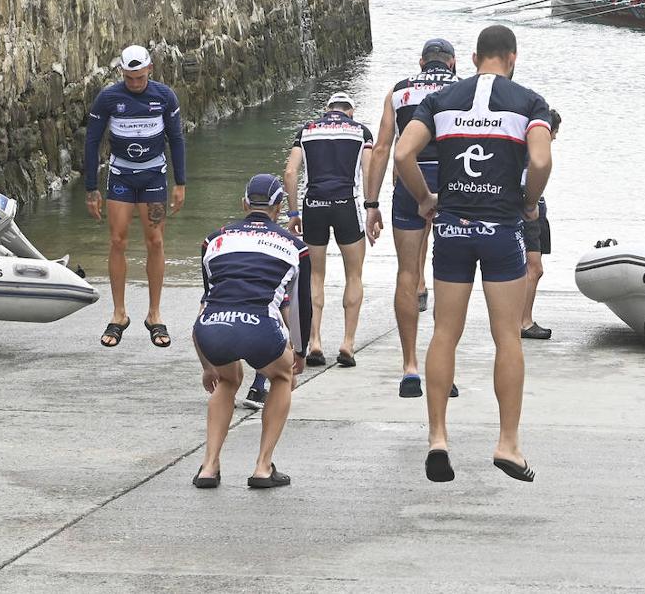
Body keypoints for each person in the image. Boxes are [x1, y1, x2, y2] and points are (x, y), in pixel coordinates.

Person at [394, 25, 553, 484]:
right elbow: (541, 161)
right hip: (501, 230)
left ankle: (438, 437)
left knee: (445, 333)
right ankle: (507, 443)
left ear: (473, 58)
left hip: (452, 228)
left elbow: (403, 154)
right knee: (507, 337)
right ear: (512, 58)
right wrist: (529, 201)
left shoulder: (441, 100)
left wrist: (425, 199)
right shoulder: (529, 103)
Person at [192, 174, 309, 489]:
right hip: (259, 327)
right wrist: (299, 352)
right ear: (279, 207)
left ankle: (209, 467)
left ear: (244, 203)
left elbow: (208, 301)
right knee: (282, 376)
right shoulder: (296, 247)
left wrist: (207, 366)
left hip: (212, 327)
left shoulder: (213, 240)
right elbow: (300, 308)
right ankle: (262, 467)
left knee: (227, 380)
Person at [364, 39, 461, 398]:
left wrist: (371, 203)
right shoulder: (463, 88)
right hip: (454, 182)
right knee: (450, 275)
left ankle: (410, 367)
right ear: (452, 63)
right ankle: (443, 367)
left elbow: (382, 148)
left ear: (421, 63)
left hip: (410, 178)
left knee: (406, 273)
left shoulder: (399, 91)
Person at [85, 45, 186, 349]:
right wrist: (91, 189)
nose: (135, 83)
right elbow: (92, 141)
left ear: (150, 70)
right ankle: (119, 314)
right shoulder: (108, 98)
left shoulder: (164, 96)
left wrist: (180, 183)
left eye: (140, 78)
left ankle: (154, 315)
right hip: (121, 178)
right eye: (129, 79)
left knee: (155, 241)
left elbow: (176, 139)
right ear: (122, 73)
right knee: (117, 241)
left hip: (154, 177)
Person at [283, 92, 375, 369]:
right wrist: (372, 207)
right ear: (351, 111)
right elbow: (368, 171)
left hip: (314, 205)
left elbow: (290, 173)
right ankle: (347, 343)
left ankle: (315, 342)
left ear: (327, 109)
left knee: (315, 276)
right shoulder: (361, 131)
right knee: (354, 275)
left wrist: (293, 213)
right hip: (347, 205)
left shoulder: (307, 130)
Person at [522, 109, 562, 340]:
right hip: (530, 209)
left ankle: (519, 318)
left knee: (528, 268)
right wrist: (530, 204)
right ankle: (523, 322)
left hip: (535, 206)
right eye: (555, 132)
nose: (556, 137)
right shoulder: (534, 150)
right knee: (534, 268)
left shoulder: (524, 147)